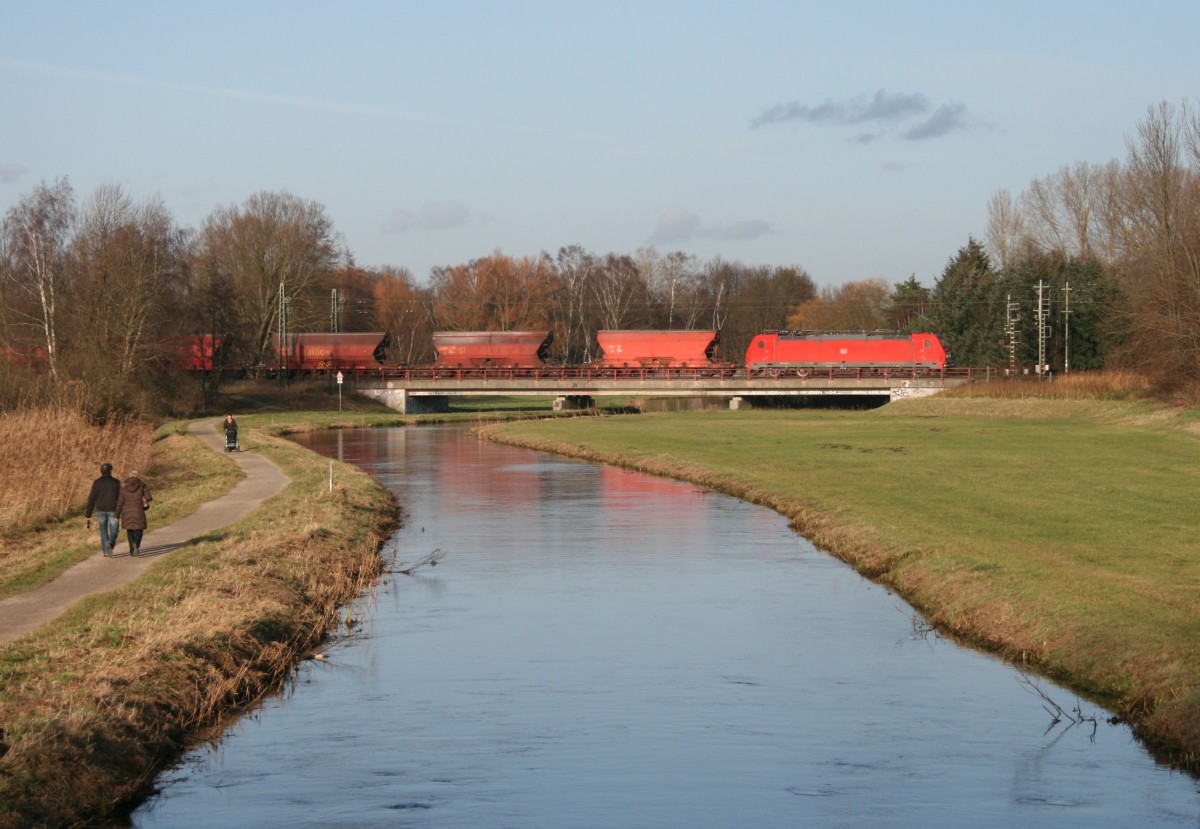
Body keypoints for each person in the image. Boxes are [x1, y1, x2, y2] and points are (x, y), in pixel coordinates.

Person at [84, 462, 121, 557]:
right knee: (115, 530)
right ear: (110, 471)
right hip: (113, 509)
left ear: (101, 471)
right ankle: (110, 542)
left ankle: (105, 551)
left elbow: (92, 498)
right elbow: (121, 498)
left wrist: (88, 514)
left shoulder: (97, 482)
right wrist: (121, 510)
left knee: (103, 531)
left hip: (100, 510)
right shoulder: (116, 482)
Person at [115, 468, 152, 557]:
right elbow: (149, 497)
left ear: (129, 475)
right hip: (139, 511)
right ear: (137, 476)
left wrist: (117, 514)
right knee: (139, 529)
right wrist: (144, 498)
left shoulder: (123, 487)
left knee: (130, 530)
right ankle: (137, 545)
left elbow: (120, 502)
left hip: (127, 512)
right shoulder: (142, 485)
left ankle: (132, 547)